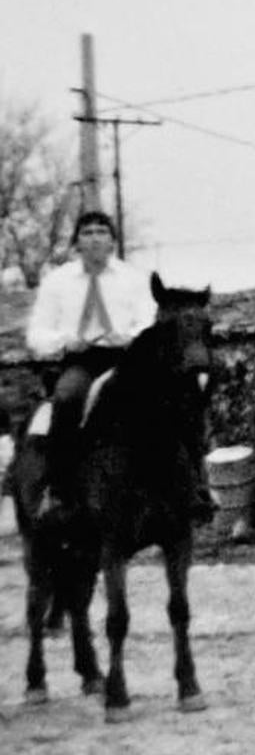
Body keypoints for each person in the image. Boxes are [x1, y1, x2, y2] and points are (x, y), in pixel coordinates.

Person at [25, 209, 158, 522]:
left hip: (125, 359)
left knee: (160, 401)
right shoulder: (57, 283)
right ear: (76, 244)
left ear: (112, 242)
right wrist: (64, 339)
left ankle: (175, 489)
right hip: (82, 361)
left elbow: (150, 321)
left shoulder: (133, 279)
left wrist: (129, 336)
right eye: (87, 233)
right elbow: (36, 333)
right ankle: (58, 488)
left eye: (102, 232)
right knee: (68, 397)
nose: (95, 238)